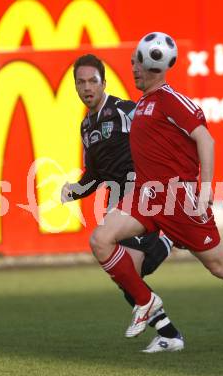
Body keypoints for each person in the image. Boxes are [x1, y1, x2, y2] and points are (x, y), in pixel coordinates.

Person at [89, 36, 223, 359]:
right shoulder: (142, 104)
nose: (134, 69)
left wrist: (206, 189)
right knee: (101, 240)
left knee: (221, 266)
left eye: (137, 64)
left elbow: (205, 140)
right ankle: (146, 302)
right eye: (133, 63)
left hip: (178, 201)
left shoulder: (170, 100)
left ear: (156, 67)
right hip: (147, 197)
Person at [61, 54, 184, 352]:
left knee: (129, 271)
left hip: (140, 196)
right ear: (75, 86)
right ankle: (169, 334)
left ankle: (168, 236)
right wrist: (74, 191)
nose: (87, 87)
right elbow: (95, 174)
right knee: (126, 276)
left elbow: (163, 135)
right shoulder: (86, 126)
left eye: (93, 80)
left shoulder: (125, 110)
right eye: (81, 82)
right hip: (115, 203)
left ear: (104, 83)